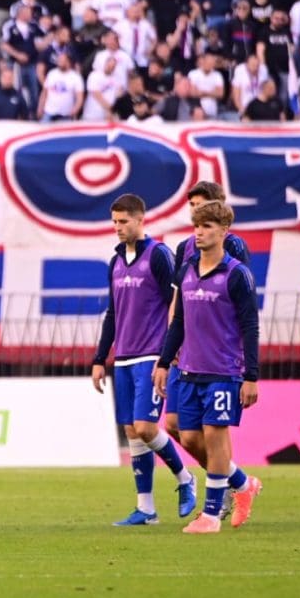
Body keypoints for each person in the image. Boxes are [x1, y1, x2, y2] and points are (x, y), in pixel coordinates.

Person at [154, 201, 263, 534]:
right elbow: (179, 323)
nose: (199, 232)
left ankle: (212, 515)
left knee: (216, 437)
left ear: (224, 231)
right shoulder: (186, 269)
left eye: (207, 226)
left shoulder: (236, 274)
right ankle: (243, 484)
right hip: (188, 370)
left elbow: (250, 326)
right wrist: (163, 361)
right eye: (196, 226)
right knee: (187, 436)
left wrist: (251, 377)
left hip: (223, 371)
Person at [92, 194, 196, 526]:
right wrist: (99, 358)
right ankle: (146, 508)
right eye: (114, 222)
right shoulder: (116, 262)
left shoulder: (159, 256)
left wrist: (169, 354)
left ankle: (185, 478)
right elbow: (113, 313)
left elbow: (177, 306)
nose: (118, 228)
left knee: (146, 427)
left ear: (141, 220)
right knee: (131, 431)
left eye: (124, 222)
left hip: (151, 355)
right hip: (122, 358)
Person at [165, 181, 253, 485]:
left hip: (218, 356)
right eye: (192, 208)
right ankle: (236, 480)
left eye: (202, 208)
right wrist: (169, 345)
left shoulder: (233, 248)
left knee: (215, 430)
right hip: (185, 352)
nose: (195, 215)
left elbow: (235, 302)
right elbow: (179, 299)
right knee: (178, 428)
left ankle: (223, 490)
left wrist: (246, 366)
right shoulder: (184, 251)